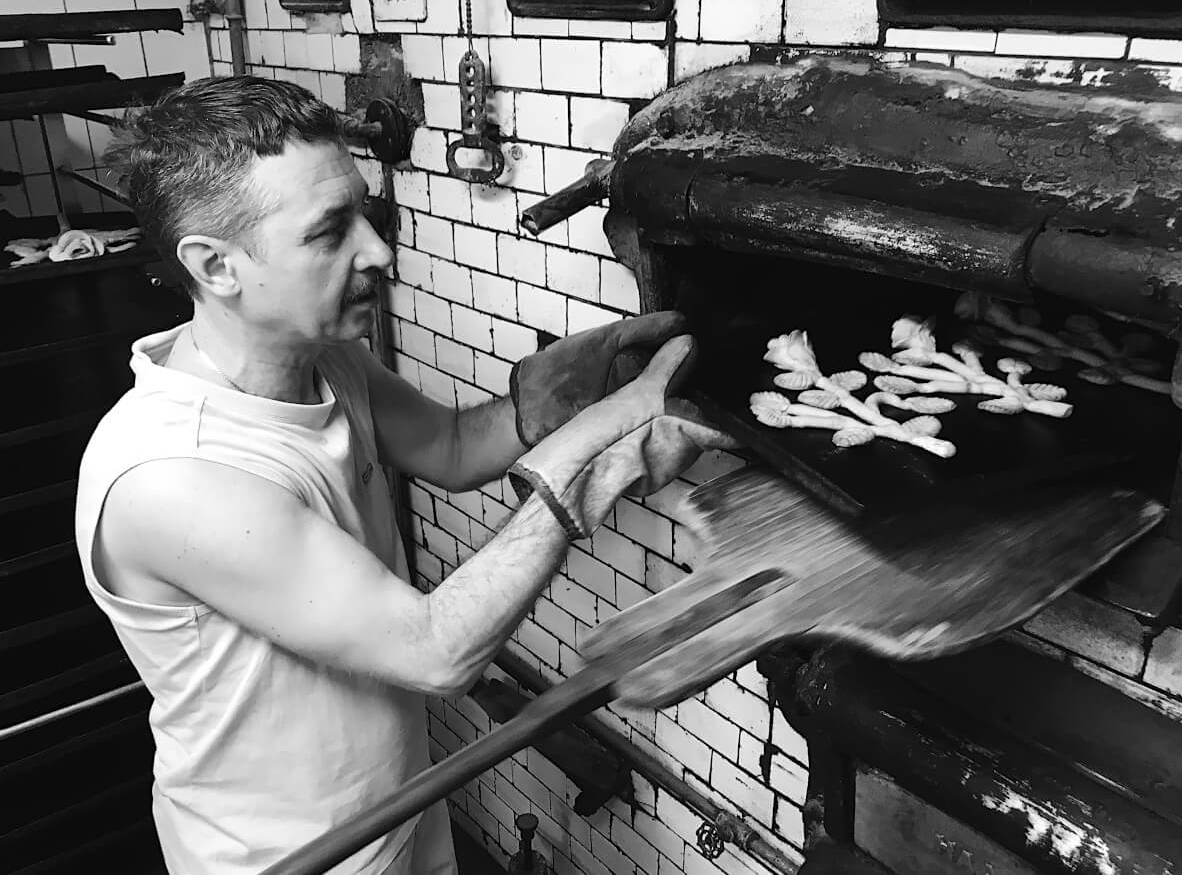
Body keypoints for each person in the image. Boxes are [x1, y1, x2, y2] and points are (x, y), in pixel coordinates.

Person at [75, 75, 732, 874]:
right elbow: (435, 652)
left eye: (365, 212)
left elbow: (453, 448)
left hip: (399, 810)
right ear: (216, 266)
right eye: (329, 232)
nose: (378, 251)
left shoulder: (327, 360)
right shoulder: (175, 476)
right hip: (288, 857)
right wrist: (584, 467)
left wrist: (541, 405)